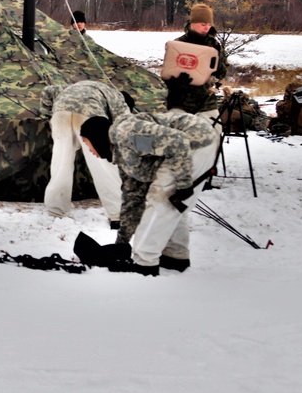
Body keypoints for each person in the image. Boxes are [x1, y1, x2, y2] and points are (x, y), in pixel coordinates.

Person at [79, 109, 220, 276]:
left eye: (87, 143)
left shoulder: (126, 134)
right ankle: (175, 256)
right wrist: (122, 242)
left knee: (160, 203)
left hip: (194, 142)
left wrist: (183, 182)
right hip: (194, 144)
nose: (89, 150)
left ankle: (144, 262)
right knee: (171, 205)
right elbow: (132, 198)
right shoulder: (123, 155)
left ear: (97, 136)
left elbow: (177, 140)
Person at [40, 81, 136, 229]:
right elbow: (125, 124)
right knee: (102, 163)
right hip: (90, 115)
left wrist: (47, 113)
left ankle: (56, 210)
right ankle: (118, 215)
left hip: (60, 113)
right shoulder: (118, 99)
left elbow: (47, 90)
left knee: (61, 163)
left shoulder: (74, 86)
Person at [164, 2, 228, 138]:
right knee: (176, 137)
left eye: (209, 25)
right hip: (180, 101)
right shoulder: (178, 44)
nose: (206, 28)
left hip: (206, 101)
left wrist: (220, 68)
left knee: (214, 133)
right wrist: (175, 84)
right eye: (203, 24)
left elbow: (223, 73)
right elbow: (167, 73)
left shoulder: (214, 45)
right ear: (192, 22)